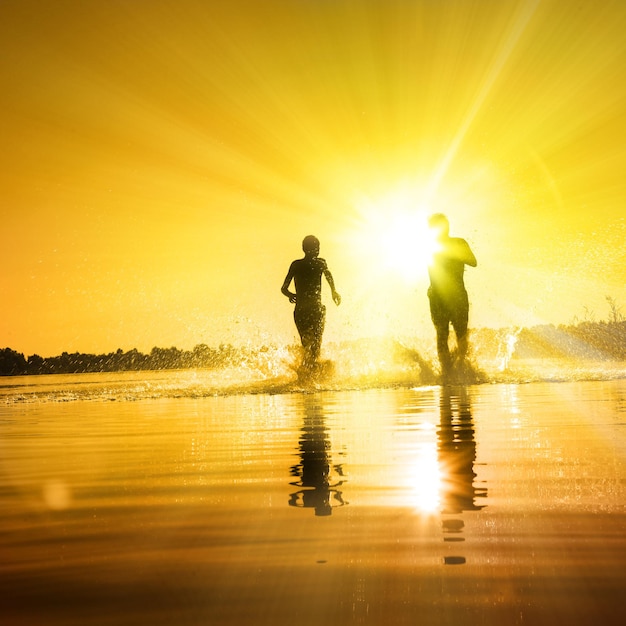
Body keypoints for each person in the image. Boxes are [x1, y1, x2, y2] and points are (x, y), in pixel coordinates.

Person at [427, 213, 477, 378]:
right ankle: (446, 374)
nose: (443, 229)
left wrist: (454, 253)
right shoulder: (429, 246)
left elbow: (473, 261)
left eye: (445, 225)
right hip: (437, 297)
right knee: (442, 336)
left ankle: (461, 369)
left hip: (457, 296)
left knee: (461, 335)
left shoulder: (458, 243)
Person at [281, 235, 341, 372]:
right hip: (313, 310)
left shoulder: (300, 264)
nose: (317, 250)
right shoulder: (317, 263)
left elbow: (284, 289)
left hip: (304, 310)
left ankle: (308, 372)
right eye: (315, 248)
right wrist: (333, 291)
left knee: (309, 345)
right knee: (313, 344)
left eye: (318, 248)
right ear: (305, 249)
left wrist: (291, 295)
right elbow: (328, 275)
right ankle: (310, 372)